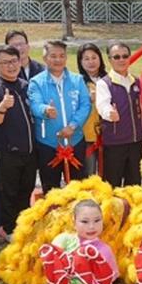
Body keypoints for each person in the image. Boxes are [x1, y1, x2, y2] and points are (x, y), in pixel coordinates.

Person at [0, 45, 37, 240]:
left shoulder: (26, 86)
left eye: (14, 61)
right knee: (9, 193)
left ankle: (24, 226)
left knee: (26, 190)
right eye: (5, 62)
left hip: (30, 151)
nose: (11, 66)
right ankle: (9, 229)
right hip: (7, 153)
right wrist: (3, 107)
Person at [28, 41, 92, 193]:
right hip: (48, 144)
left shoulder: (77, 80)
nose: (58, 60)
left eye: (62, 56)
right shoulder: (36, 82)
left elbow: (85, 105)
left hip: (75, 140)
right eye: (53, 56)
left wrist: (73, 126)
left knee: (78, 188)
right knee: (51, 190)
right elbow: (35, 104)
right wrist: (45, 110)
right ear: (45, 58)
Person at [96, 42, 142, 187]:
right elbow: (102, 105)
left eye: (125, 56)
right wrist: (109, 113)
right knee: (112, 184)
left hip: (135, 141)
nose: (121, 60)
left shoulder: (136, 81)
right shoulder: (104, 83)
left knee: (134, 184)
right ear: (109, 60)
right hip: (115, 143)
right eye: (116, 57)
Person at [76, 43, 107, 176]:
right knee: (89, 174)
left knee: (108, 173)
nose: (91, 62)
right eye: (86, 59)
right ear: (80, 62)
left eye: (94, 57)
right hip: (87, 136)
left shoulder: (109, 79)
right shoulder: (77, 82)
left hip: (109, 136)